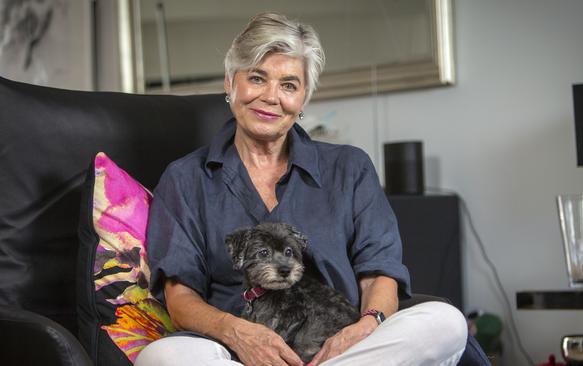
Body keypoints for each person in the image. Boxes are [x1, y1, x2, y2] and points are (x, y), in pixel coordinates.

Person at [135, 12, 467, 366]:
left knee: (445, 323)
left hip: (342, 347)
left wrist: (365, 327)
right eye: (257, 78)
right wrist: (238, 333)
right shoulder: (185, 179)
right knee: (163, 356)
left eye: (289, 85)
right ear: (231, 84)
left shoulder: (350, 168)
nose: (271, 97)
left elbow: (379, 272)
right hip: (236, 350)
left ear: (304, 97)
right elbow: (180, 296)